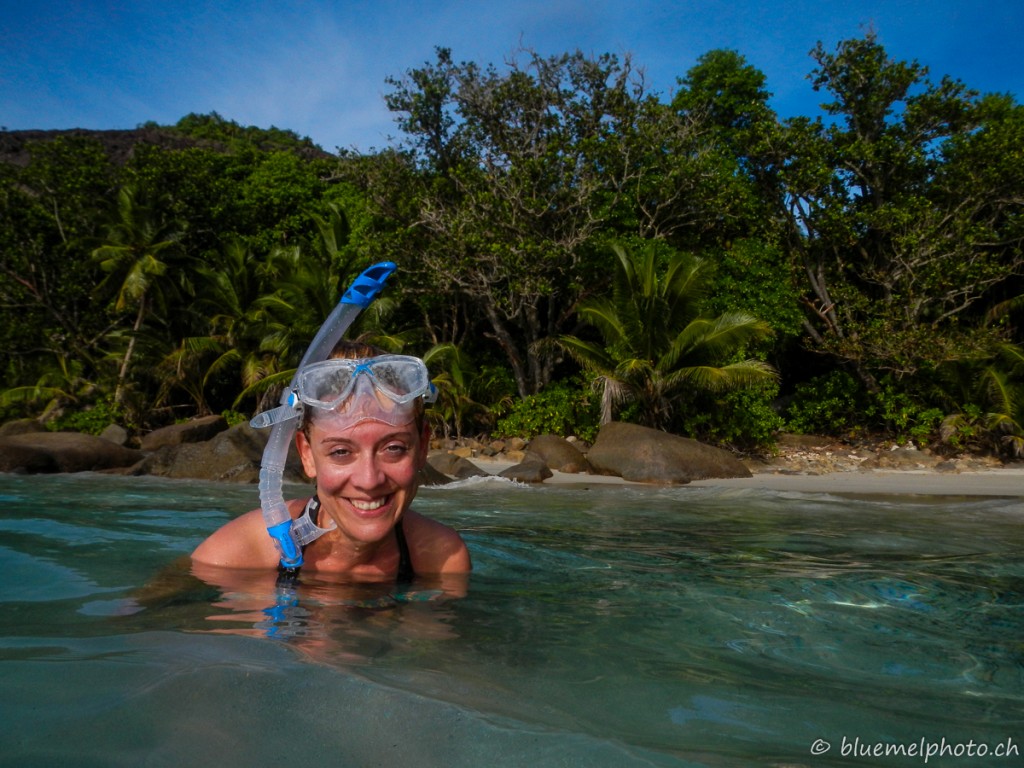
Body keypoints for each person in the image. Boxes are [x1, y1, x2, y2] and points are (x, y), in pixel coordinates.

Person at [192, 341, 471, 581]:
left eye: (394, 448)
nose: (369, 480)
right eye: (341, 452)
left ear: (422, 446)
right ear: (307, 455)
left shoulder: (442, 560)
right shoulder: (234, 557)